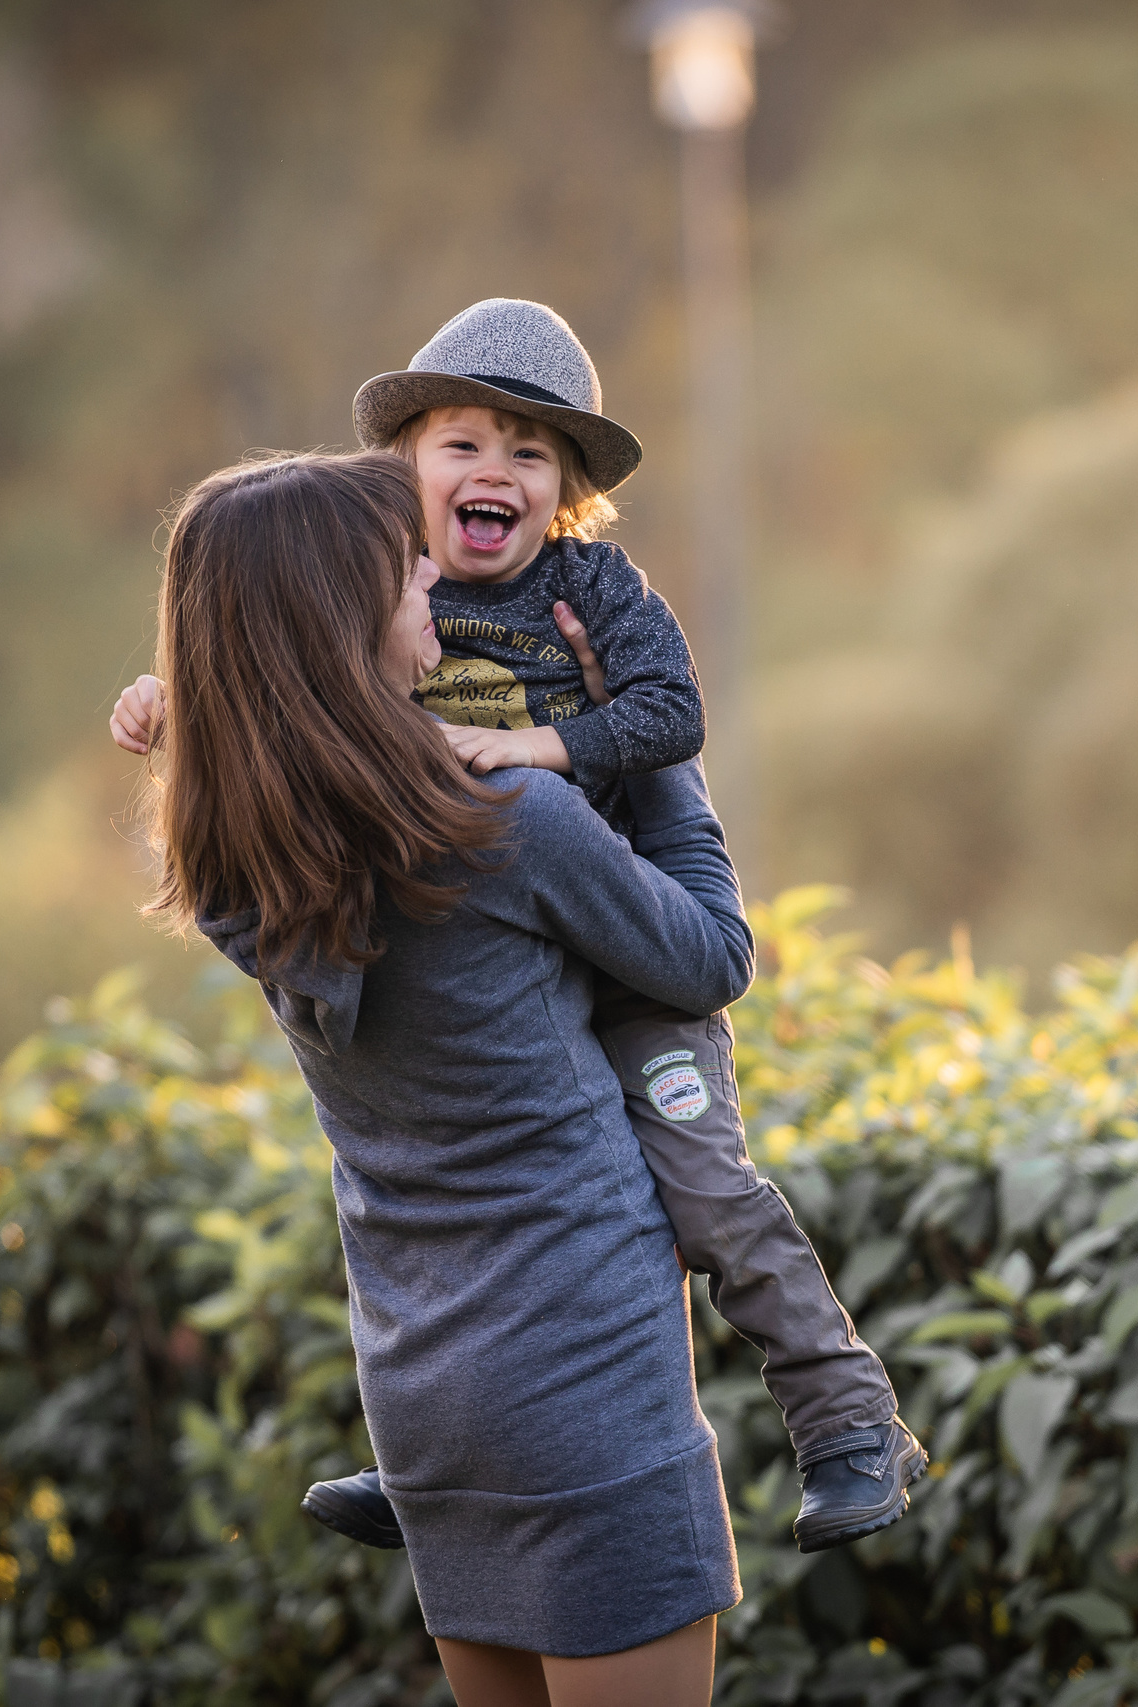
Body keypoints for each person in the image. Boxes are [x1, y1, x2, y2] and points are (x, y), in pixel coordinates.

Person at [112, 299, 923, 1555]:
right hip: (528, 963)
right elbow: (274, 657)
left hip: (637, 968)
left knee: (706, 1188)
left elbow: (670, 714)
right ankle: (429, 1460)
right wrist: (181, 692)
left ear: (568, 499)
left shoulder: (592, 593)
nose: (494, 474)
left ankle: (845, 1415)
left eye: (530, 454)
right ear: (402, 481)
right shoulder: (382, 600)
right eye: (461, 447)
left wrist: (547, 747)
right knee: (412, 1186)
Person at [148, 448, 733, 1703]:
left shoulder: (237, 861)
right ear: (343, 619)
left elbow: (242, 723)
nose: (428, 578)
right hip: (587, 1370)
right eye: (397, 568)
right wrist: (634, 743)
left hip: (424, 1389)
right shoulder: (505, 822)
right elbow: (710, 959)